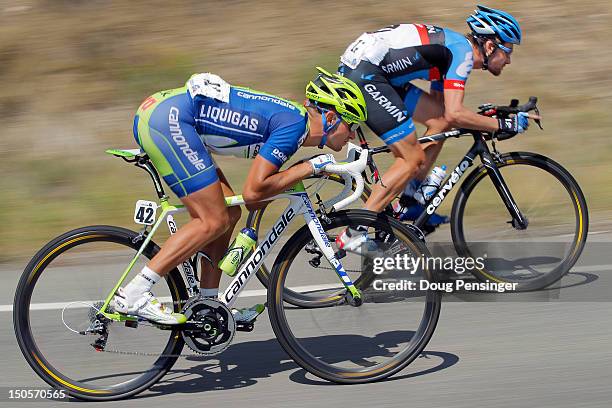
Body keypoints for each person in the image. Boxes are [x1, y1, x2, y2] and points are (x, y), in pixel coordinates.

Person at [112, 67, 367, 325]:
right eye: (352, 125)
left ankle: (208, 304)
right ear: (332, 118)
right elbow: (254, 190)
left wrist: (299, 171)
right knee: (211, 220)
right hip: (168, 120)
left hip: (167, 114)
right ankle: (134, 293)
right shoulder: (294, 127)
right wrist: (309, 167)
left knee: (230, 213)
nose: (353, 135)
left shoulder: (293, 122)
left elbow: (254, 201)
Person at [335, 5, 539, 249]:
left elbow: (443, 115)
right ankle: (354, 232)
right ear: (490, 46)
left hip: (373, 71)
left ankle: (411, 199)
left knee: (438, 122)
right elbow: (456, 113)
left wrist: (493, 116)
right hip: (368, 76)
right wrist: (502, 124)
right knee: (411, 159)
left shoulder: (450, 52)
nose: (509, 60)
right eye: (508, 51)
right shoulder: (461, 53)